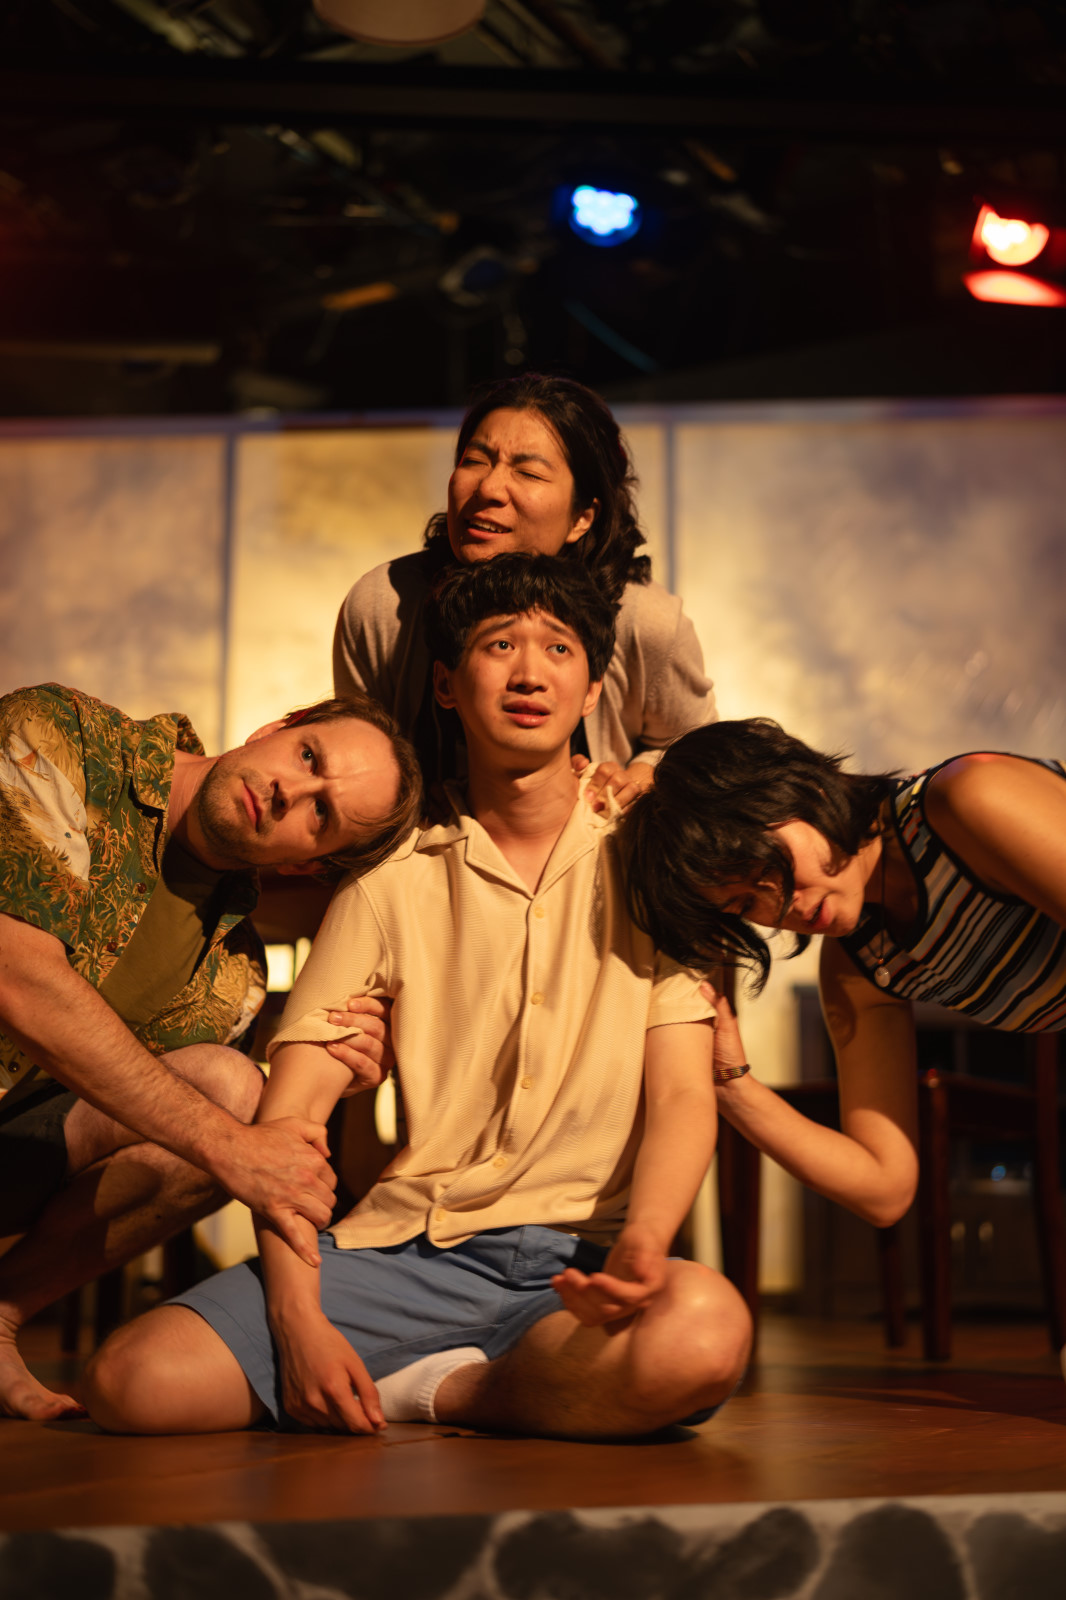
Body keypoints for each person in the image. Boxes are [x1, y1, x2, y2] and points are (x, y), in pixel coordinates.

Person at [83, 555, 751, 1440]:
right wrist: (298, 1318)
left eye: (559, 649)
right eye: (499, 645)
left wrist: (642, 1247)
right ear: (445, 683)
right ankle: (500, 1384)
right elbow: (292, 1119)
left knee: (704, 1334)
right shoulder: (389, 877)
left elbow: (680, 1095)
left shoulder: (656, 860)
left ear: (593, 689)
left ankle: (450, 1390)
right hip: (406, 1248)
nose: (528, 672)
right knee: (133, 1383)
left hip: (584, 1257)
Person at [0, 682, 421, 1421]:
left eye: (322, 814)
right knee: (225, 1129)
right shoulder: (64, 737)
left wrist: (336, 1060)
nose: (291, 792)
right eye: (308, 756)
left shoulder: (235, 977)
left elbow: (190, 1110)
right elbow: (16, 975)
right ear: (277, 727)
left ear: (311, 864)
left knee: (235, 1090)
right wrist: (230, 1147)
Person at [623, 716, 1066, 1235]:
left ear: (804, 790)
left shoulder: (968, 799)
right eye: (744, 904)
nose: (779, 905)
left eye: (769, 868)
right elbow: (884, 1189)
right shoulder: (863, 966)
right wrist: (732, 1085)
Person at [333, 372, 716, 811]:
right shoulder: (382, 606)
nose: (489, 488)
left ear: (582, 517)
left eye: (529, 472)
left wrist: (642, 776)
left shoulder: (646, 622)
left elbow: (700, 749)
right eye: (475, 460)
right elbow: (352, 759)